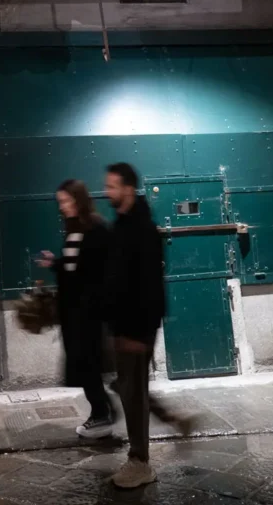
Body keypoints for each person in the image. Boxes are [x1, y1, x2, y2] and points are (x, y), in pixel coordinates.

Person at [103, 163, 194, 490]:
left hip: (135, 328)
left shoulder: (142, 229)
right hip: (121, 326)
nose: (107, 191)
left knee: (134, 393)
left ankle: (140, 462)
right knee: (128, 389)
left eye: (113, 186)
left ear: (128, 188)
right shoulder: (123, 225)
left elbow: (151, 287)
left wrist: (141, 333)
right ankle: (157, 438)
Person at [36, 179, 113, 440]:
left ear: (79, 200)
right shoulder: (73, 229)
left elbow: (98, 272)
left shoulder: (96, 228)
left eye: (66, 201)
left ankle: (102, 415)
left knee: (87, 365)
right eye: (60, 203)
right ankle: (104, 410)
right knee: (83, 366)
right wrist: (54, 263)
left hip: (87, 313)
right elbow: (73, 269)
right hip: (73, 313)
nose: (63, 207)